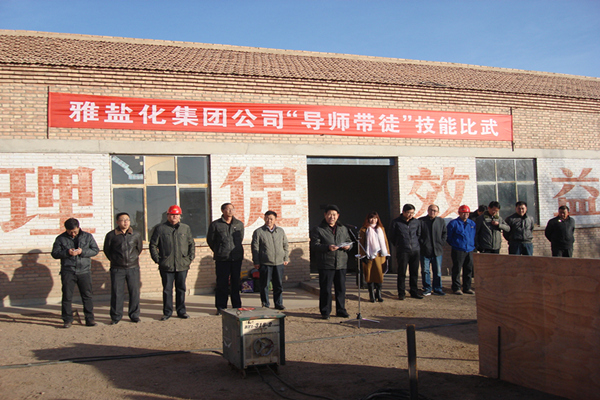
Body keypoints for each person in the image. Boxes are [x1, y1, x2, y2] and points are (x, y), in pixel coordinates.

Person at [51, 218, 99, 328]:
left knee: (87, 296)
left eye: (75, 231)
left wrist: (82, 252)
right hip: (68, 271)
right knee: (67, 296)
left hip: (84, 271)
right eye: (70, 232)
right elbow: (55, 253)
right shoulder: (60, 238)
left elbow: (95, 250)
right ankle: (67, 319)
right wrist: (67, 252)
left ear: (78, 227)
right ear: (66, 229)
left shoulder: (87, 236)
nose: (73, 234)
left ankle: (89, 319)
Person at [150, 205, 195, 321]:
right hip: (166, 265)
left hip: (182, 264)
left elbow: (191, 243)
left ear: (180, 216)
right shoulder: (160, 229)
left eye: (177, 215)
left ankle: (181, 311)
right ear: (168, 215)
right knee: (167, 290)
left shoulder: (185, 228)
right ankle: (167, 312)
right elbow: (153, 245)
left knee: (181, 289)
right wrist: (158, 260)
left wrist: (190, 258)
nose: (174, 217)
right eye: (172, 215)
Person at [310, 204, 352, 319]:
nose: (331, 217)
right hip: (326, 264)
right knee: (326, 289)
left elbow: (349, 240)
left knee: (341, 289)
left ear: (338, 216)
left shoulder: (343, 228)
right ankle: (325, 311)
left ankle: (341, 310)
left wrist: (348, 246)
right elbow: (314, 245)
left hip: (341, 263)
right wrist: (327, 247)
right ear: (325, 215)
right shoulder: (318, 229)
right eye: (329, 214)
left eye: (334, 215)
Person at [103, 212, 143, 324]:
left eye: (127, 220)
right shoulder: (111, 235)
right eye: (123, 220)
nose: (126, 222)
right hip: (117, 269)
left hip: (133, 268)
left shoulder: (136, 234)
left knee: (134, 292)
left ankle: (134, 315)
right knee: (117, 293)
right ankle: (116, 317)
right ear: (117, 222)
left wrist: (132, 259)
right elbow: (107, 250)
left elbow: (138, 249)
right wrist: (115, 260)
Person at [207, 202, 245, 315]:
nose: (230, 211)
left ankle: (237, 306)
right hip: (222, 259)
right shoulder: (216, 225)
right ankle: (221, 307)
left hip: (236, 258)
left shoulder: (239, 224)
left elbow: (240, 239)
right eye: (228, 209)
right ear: (223, 211)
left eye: (232, 209)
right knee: (222, 284)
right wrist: (219, 250)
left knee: (235, 283)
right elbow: (210, 240)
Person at [251, 210, 289, 310]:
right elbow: (255, 248)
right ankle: (265, 304)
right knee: (265, 285)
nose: (269, 220)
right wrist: (256, 261)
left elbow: (285, 245)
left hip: (279, 262)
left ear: (275, 219)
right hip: (265, 263)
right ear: (264, 219)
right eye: (267, 218)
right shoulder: (259, 232)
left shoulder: (280, 231)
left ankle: (278, 303)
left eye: (271, 219)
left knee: (278, 285)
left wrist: (286, 257)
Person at [389, 204, 422, 300]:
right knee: (402, 272)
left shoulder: (416, 222)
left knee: (414, 272)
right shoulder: (396, 222)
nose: (410, 215)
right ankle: (401, 292)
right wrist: (399, 244)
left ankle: (414, 291)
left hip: (415, 250)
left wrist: (416, 245)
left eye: (412, 213)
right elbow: (392, 236)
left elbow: (418, 234)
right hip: (403, 250)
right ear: (403, 212)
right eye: (408, 213)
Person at [358, 211, 390, 303]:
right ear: (368, 219)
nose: (373, 220)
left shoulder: (381, 229)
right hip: (369, 255)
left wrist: (387, 253)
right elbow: (361, 244)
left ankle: (378, 294)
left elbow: (385, 241)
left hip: (380, 255)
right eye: (371, 218)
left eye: (375, 218)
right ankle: (371, 295)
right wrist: (363, 255)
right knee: (369, 275)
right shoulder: (364, 230)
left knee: (379, 275)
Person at [446, 205, 476, 295]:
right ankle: (456, 288)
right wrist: (456, 244)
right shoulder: (453, 223)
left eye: (467, 213)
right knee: (457, 269)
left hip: (469, 249)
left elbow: (474, 235)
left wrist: (472, 245)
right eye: (463, 213)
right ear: (459, 213)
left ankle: (467, 287)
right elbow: (449, 237)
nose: (465, 215)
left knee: (468, 269)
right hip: (458, 249)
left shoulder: (472, 223)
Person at [418, 204, 448, 296]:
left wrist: (441, 242)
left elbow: (444, 233)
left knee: (437, 271)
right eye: (431, 210)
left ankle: (437, 288)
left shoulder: (441, 221)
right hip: (425, 251)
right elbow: (418, 234)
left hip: (437, 251)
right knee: (425, 271)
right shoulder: (421, 221)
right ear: (428, 211)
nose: (433, 212)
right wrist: (423, 243)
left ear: (438, 212)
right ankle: (427, 288)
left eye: (435, 210)